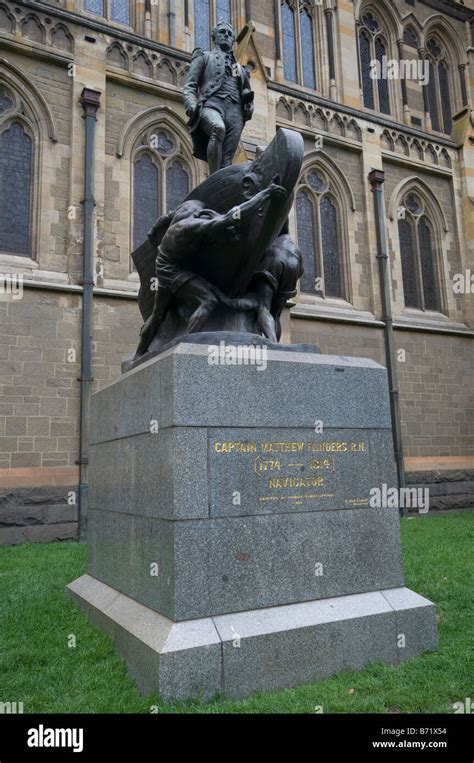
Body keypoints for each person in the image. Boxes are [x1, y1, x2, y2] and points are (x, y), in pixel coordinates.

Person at [135, 181, 288, 357]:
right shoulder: (191, 227)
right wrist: (265, 194)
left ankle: (139, 354)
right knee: (208, 301)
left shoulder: (192, 208)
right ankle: (188, 345)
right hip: (170, 268)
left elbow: (167, 216)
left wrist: (153, 232)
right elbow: (234, 215)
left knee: (158, 314)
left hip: (170, 263)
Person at [183, 21, 254, 174]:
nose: (226, 36)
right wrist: (191, 104)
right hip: (212, 105)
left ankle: (222, 183)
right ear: (214, 36)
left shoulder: (240, 69)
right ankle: (214, 178)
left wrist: (249, 106)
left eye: (229, 34)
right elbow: (190, 85)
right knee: (217, 128)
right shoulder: (204, 57)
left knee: (227, 159)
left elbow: (246, 90)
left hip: (235, 111)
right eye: (222, 32)